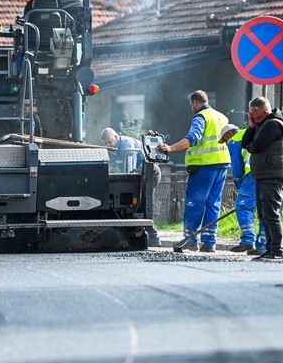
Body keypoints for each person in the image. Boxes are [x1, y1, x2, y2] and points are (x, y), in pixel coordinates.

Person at [157, 90, 230, 253]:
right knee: (213, 203)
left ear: (196, 102)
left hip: (205, 166)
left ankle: (190, 240)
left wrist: (170, 148)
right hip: (223, 164)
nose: (192, 108)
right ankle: (210, 242)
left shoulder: (201, 117)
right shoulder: (222, 117)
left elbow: (193, 138)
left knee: (195, 202)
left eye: (192, 105)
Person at [241, 97, 283, 260]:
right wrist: (251, 126)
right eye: (250, 114)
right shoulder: (261, 124)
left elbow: (256, 146)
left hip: (273, 176)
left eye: (254, 114)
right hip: (263, 175)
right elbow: (245, 143)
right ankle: (270, 249)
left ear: (266, 111)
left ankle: (277, 249)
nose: (252, 117)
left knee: (271, 214)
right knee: (263, 214)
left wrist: (251, 145)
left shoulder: (273, 124)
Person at [100, 127, 162, 247]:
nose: (108, 145)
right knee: (133, 204)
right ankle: (136, 233)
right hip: (139, 175)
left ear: (116, 137)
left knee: (142, 203)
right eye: (106, 143)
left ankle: (153, 236)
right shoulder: (112, 149)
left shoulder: (127, 144)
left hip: (150, 172)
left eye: (109, 142)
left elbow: (130, 167)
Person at [219, 123, 267, 255]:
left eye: (224, 140)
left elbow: (237, 167)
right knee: (264, 210)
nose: (225, 144)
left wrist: (240, 185)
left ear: (229, 134)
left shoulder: (234, 140)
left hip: (251, 174)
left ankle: (247, 240)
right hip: (267, 172)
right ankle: (262, 245)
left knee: (243, 207)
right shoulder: (251, 133)